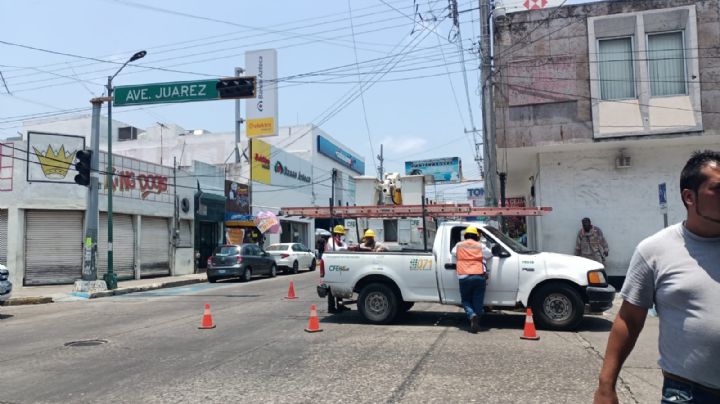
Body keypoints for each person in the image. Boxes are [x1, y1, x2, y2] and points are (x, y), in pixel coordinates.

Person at [594, 150, 720, 404]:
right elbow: (628, 320)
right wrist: (606, 386)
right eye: (718, 189)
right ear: (689, 197)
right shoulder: (655, 250)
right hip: (689, 394)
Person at [451, 226, 492, 333]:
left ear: (465, 236)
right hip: (478, 275)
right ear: (477, 236)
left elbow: (453, 253)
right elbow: (490, 254)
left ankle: (471, 315)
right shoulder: (480, 246)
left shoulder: (459, 245)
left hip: (464, 276)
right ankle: (476, 320)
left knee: (465, 300)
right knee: (478, 300)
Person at [325, 224, 349, 313]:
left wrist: (343, 248)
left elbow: (345, 248)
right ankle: (331, 307)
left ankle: (340, 305)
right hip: (332, 265)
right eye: (339, 234)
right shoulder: (331, 240)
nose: (340, 236)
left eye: (341, 234)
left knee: (340, 287)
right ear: (336, 233)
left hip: (340, 264)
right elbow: (338, 249)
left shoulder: (341, 241)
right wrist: (343, 248)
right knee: (332, 287)